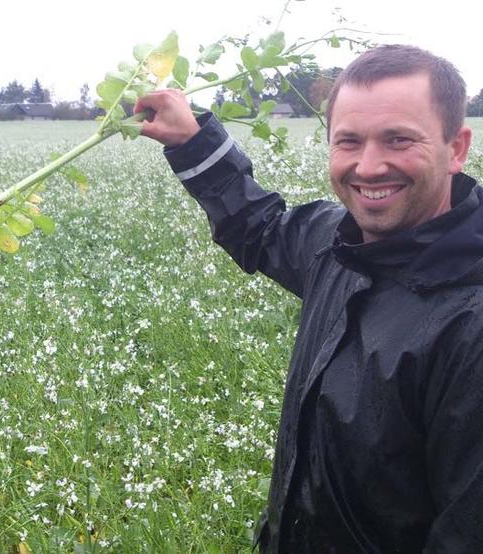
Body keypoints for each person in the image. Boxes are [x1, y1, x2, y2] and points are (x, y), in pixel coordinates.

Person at [135, 44, 481, 551]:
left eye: (398, 140)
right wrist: (192, 140)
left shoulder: (470, 322)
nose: (368, 166)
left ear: (456, 148)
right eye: (348, 141)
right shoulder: (338, 243)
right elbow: (262, 228)